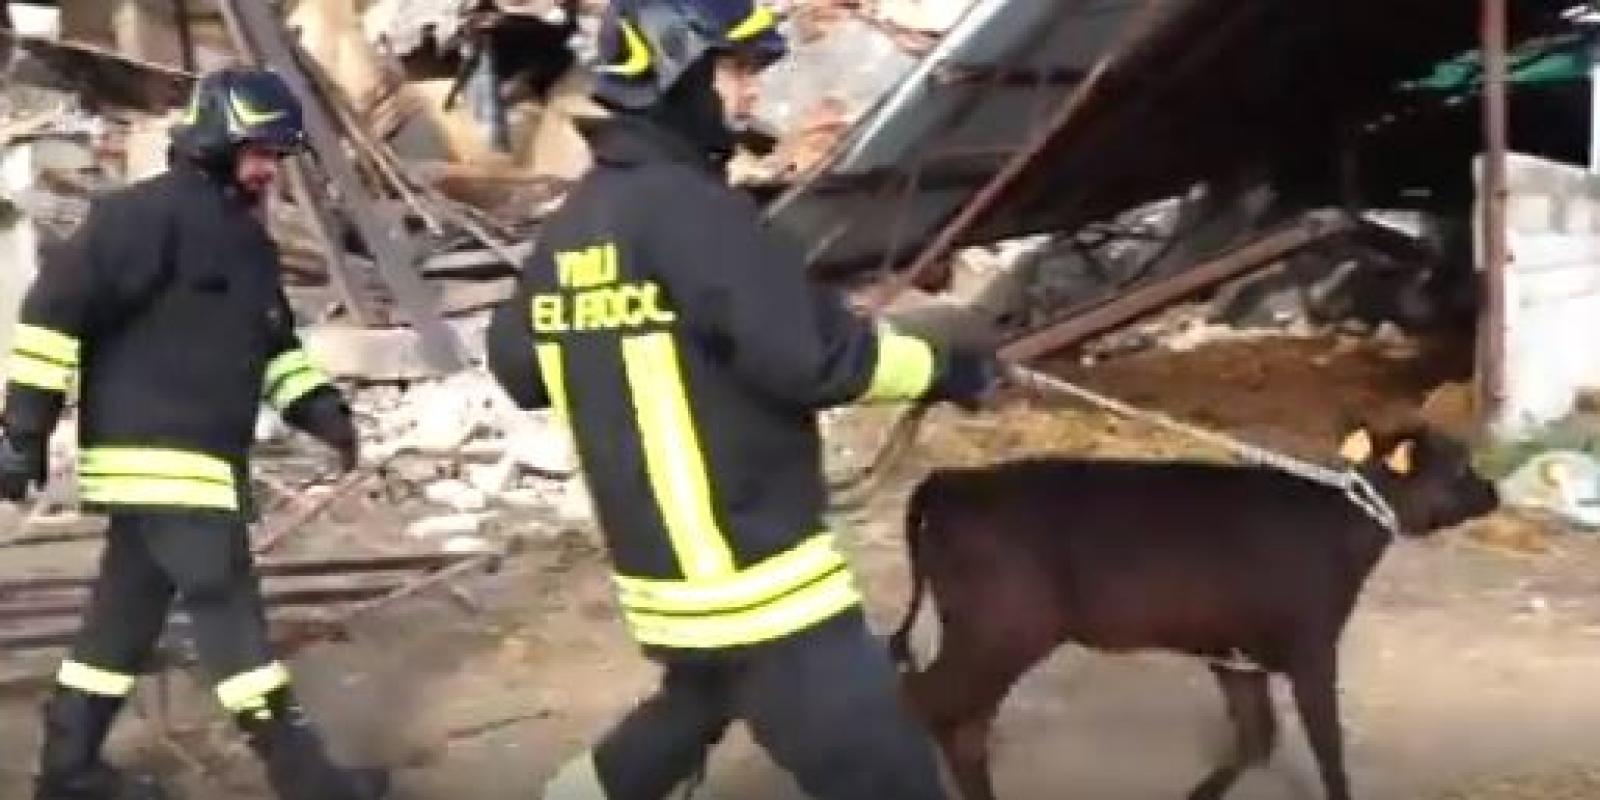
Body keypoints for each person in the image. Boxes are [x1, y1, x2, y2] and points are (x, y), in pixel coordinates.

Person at [483, 1, 1001, 797]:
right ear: (677, 69)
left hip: (665, 589)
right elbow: (815, 360)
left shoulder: (573, 230)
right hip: (760, 588)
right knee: (888, 773)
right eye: (737, 69)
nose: (751, 94)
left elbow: (518, 366)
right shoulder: (692, 211)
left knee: (688, 714)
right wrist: (944, 366)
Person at [0, 67, 387, 800]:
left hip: (199, 464)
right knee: (230, 615)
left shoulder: (247, 244)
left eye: (277, 155)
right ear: (215, 137)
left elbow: (274, 346)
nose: (270, 169)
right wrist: (24, 430)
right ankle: (306, 779)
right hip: (163, 461)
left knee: (123, 619)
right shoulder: (138, 217)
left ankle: (68, 766)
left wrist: (322, 411)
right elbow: (53, 314)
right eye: (259, 152)